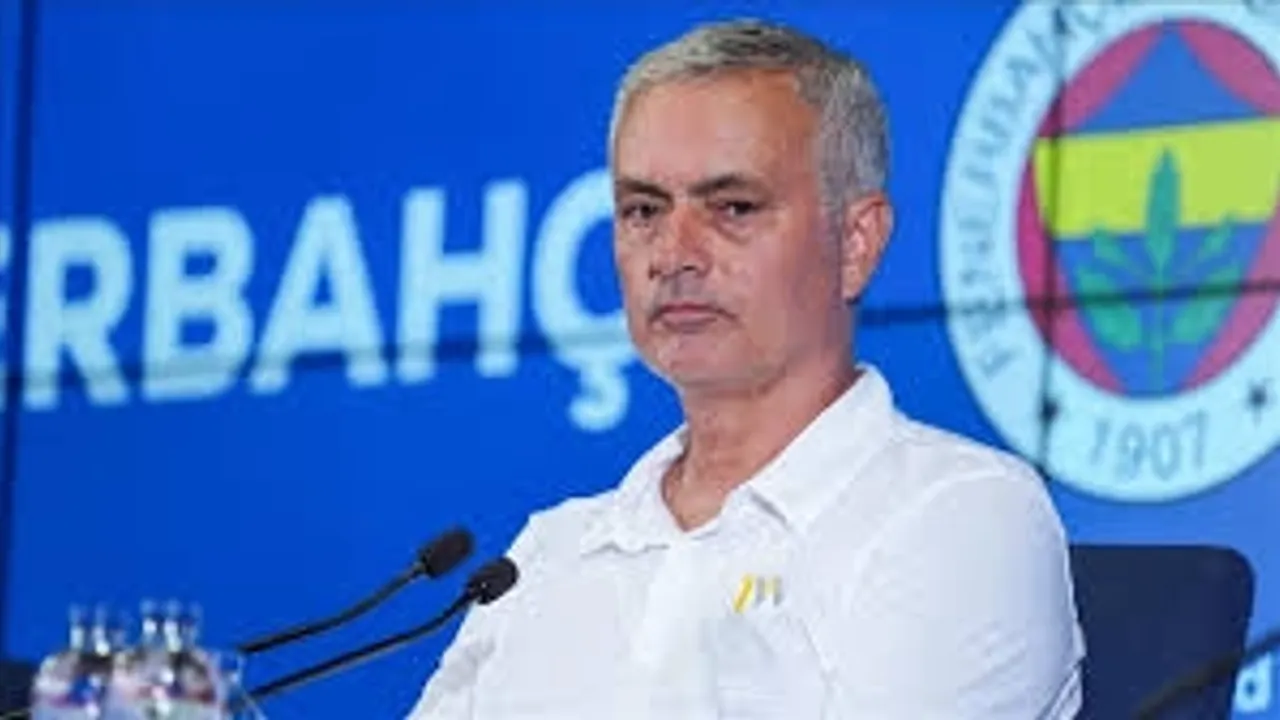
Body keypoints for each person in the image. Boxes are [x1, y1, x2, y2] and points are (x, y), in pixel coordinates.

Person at [408, 17, 1084, 719]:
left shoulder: (960, 517)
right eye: (643, 210)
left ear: (856, 242)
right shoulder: (543, 558)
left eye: (733, 207)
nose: (673, 254)